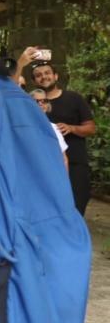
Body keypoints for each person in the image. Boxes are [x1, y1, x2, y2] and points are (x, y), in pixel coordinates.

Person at [31, 61, 96, 215]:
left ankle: (76, 237)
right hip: (43, 165)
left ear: (55, 76)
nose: (44, 77)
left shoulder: (74, 98)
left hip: (74, 163)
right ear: (34, 81)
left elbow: (91, 128)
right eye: (38, 75)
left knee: (76, 206)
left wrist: (72, 128)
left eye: (47, 73)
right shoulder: (31, 103)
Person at [29, 88, 69, 170]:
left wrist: (65, 181)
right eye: (36, 101)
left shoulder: (54, 128)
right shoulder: (24, 127)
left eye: (44, 101)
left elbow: (64, 159)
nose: (41, 104)